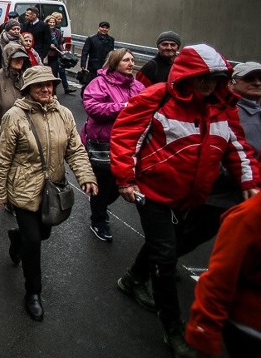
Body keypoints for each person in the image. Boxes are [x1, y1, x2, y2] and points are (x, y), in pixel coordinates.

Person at [110, 44, 259, 358]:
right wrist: (125, 178)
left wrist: (250, 181)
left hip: (190, 196)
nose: (207, 84)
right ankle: (173, 329)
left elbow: (238, 148)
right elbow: (126, 133)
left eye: (215, 78)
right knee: (165, 257)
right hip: (151, 193)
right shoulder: (158, 97)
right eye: (202, 77)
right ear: (188, 75)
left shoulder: (222, 107)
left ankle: (133, 279)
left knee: (163, 244)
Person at [0, 66, 97, 322]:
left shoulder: (64, 114)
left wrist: (86, 176)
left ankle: (16, 240)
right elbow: (3, 159)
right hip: (24, 189)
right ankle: (33, 293)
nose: (46, 90)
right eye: (39, 86)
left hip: (52, 189)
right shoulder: (15, 116)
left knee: (44, 232)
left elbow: (76, 150)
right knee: (34, 242)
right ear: (27, 89)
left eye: (49, 85)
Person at [185, 193, 261, 358]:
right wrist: (204, 332)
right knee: (168, 248)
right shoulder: (250, 216)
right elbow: (218, 280)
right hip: (250, 330)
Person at [81, 49, 144, 242]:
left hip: (129, 145)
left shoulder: (138, 86)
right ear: (115, 63)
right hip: (103, 144)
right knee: (103, 183)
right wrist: (123, 108)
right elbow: (92, 107)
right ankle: (98, 220)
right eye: (126, 60)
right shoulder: (98, 83)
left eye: (133, 60)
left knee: (119, 186)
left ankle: (99, 204)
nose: (131, 63)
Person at [0, 43, 30, 122]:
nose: (20, 60)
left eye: (22, 57)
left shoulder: (28, 77)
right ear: (7, 59)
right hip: (4, 128)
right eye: (16, 57)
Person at [44, 13, 74, 94]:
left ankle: (53, 92)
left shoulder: (58, 32)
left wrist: (63, 51)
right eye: (50, 22)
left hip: (55, 55)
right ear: (47, 22)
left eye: (53, 22)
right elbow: (41, 42)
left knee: (54, 74)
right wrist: (48, 45)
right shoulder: (44, 31)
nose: (52, 24)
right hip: (46, 56)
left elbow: (60, 42)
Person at [79, 21, 115, 89]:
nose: (104, 29)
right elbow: (85, 52)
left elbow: (112, 54)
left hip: (105, 66)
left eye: (106, 28)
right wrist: (83, 65)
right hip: (93, 66)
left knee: (103, 83)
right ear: (99, 28)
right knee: (92, 82)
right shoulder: (91, 39)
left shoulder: (111, 40)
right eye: (102, 27)